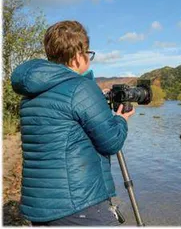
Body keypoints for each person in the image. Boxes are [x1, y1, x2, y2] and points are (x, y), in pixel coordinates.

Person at [11, 20, 135, 226]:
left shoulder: (31, 93)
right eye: (88, 52)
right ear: (78, 56)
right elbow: (112, 142)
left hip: (40, 205)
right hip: (80, 204)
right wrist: (121, 119)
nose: (89, 58)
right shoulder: (81, 88)